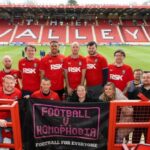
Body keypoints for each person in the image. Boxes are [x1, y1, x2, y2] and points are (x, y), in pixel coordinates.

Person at [0, 75, 21, 147]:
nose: (9, 85)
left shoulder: (18, 92)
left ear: (15, 83)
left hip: (12, 118)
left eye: (11, 83)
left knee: (20, 131)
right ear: (3, 83)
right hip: (0, 119)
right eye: (7, 83)